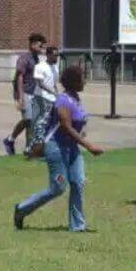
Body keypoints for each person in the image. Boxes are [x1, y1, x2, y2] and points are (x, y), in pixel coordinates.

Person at [13, 65, 102, 232]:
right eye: (82, 78)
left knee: (78, 182)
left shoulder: (76, 98)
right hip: (56, 148)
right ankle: (22, 209)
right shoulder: (63, 100)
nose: (85, 81)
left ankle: (77, 225)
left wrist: (82, 133)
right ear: (74, 81)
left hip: (72, 148)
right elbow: (66, 126)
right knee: (58, 188)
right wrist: (89, 146)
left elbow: (76, 125)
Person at [3, 33, 45, 156]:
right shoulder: (24, 58)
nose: (41, 48)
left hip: (33, 93)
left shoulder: (36, 59)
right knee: (29, 119)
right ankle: (10, 139)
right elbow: (19, 78)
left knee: (31, 122)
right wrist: (20, 98)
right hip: (23, 92)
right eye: (39, 45)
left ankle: (26, 147)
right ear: (32, 44)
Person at [25, 45, 61, 158]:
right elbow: (40, 84)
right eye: (55, 55)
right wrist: (52, 92)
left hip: (52, 99)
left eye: (58, 55)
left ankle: (36, 149)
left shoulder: (55, 67)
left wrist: (58, 95)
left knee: (47, 124)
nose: (57, 58)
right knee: (39, 124)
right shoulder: (40, 66)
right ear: (48, 55)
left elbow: (54, 84)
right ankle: (33, 149)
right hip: (41, 98)